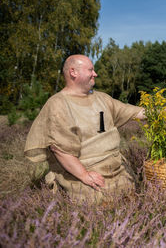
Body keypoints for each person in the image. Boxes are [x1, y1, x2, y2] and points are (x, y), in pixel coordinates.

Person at [24, 55, 145, 203]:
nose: (95, 74)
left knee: (133, 194)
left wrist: (164, 113)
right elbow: (60, 150)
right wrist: (84, 175)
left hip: (115, 167)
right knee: (97, 202)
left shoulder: (101, 98)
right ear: (73, 72)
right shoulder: (58, 104)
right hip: (80, 172)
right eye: (91, 70)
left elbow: (132, 111)